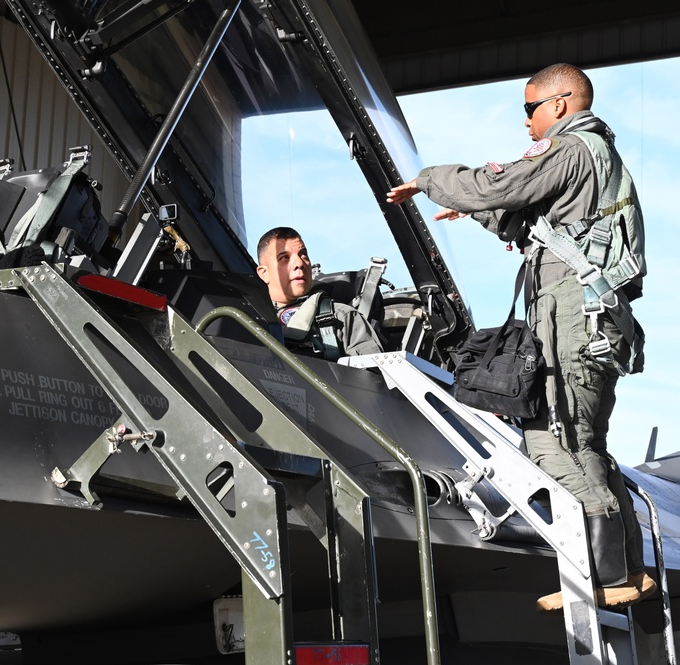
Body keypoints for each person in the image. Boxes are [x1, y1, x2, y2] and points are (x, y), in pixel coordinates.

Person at [386, 63, 654, 611]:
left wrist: (433, 178)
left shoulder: (573, 148)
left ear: (559, 104)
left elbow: (504, 184)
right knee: (584, 446)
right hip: (589, 325)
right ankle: (626, 571)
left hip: (572, 325)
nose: (527, 123)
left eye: (529, 110)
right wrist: (475, 209)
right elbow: (533, 220)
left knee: (556, 445)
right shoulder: (595, 160)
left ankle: (604, 575)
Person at [256, 227, 383, 358]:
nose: (300, 263)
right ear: (264, 273)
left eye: (303, 254)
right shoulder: (249, 320)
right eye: (284, 258)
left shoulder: (343, 318)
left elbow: (375, 373)